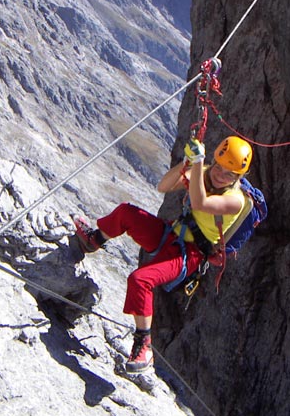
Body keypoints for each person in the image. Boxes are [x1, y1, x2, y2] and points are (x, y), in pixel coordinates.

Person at [73, 135, 253, 372]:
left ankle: (144, 346)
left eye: (228, 173)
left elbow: (200, 203)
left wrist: (198, 165)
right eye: (219, 167)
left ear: (238, 177)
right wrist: (187, 162)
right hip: (170, 235)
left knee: (140, 280)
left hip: (190, 255)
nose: (220, 175)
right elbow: (164, 186)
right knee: (127, 213)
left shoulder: (235, 200)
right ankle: (95, 240)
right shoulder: (206, 172)